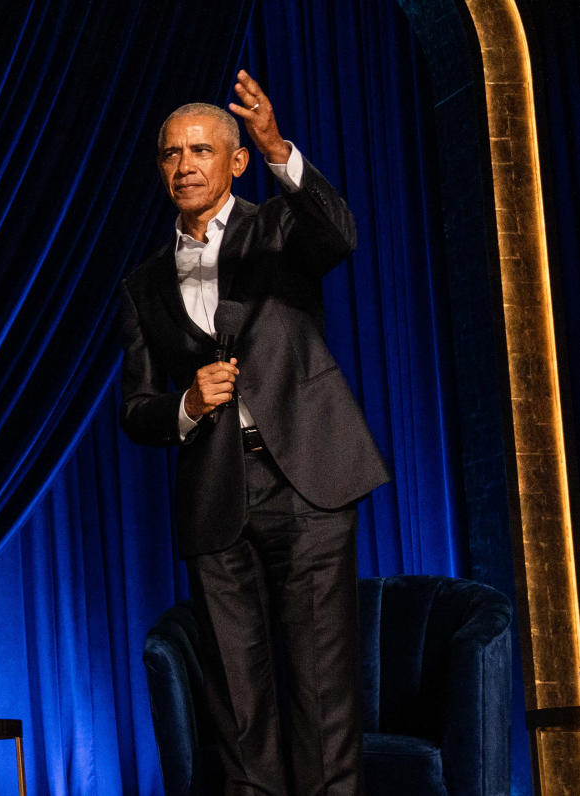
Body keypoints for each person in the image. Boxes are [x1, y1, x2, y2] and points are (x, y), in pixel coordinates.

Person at [119, 72, 389, 795]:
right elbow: (135, 408)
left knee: (322, 693)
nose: (184, 166)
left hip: (307, 480)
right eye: (171, 155)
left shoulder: (275, 230)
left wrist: (277, 145)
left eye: (201, 150)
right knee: (238, 708)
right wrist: (185, 403)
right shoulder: (143, 283)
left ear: (234, 162)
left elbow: (339, 232)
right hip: (215, 494)